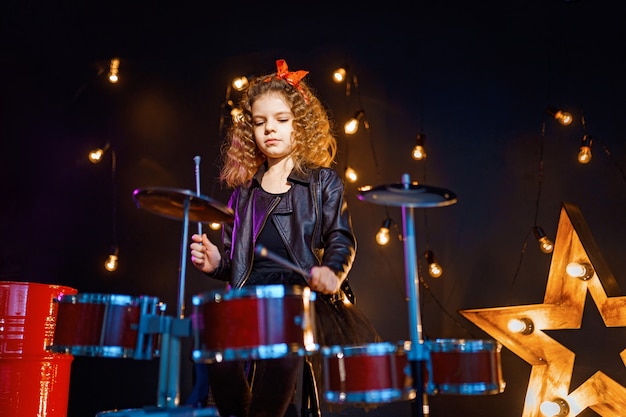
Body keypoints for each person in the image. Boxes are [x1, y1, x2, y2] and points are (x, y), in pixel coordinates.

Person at [189, 59, 380, 417]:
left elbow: (341, 238)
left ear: (301, 125)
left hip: (297, 301)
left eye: (281, 120)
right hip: (247, 303)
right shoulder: (243, 193)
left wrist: (333, 272)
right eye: (260, 123)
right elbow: (235, 262)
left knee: (281, 352)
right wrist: (217, 264)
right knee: (212, 338)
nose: (269, 130)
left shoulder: (323, 182)